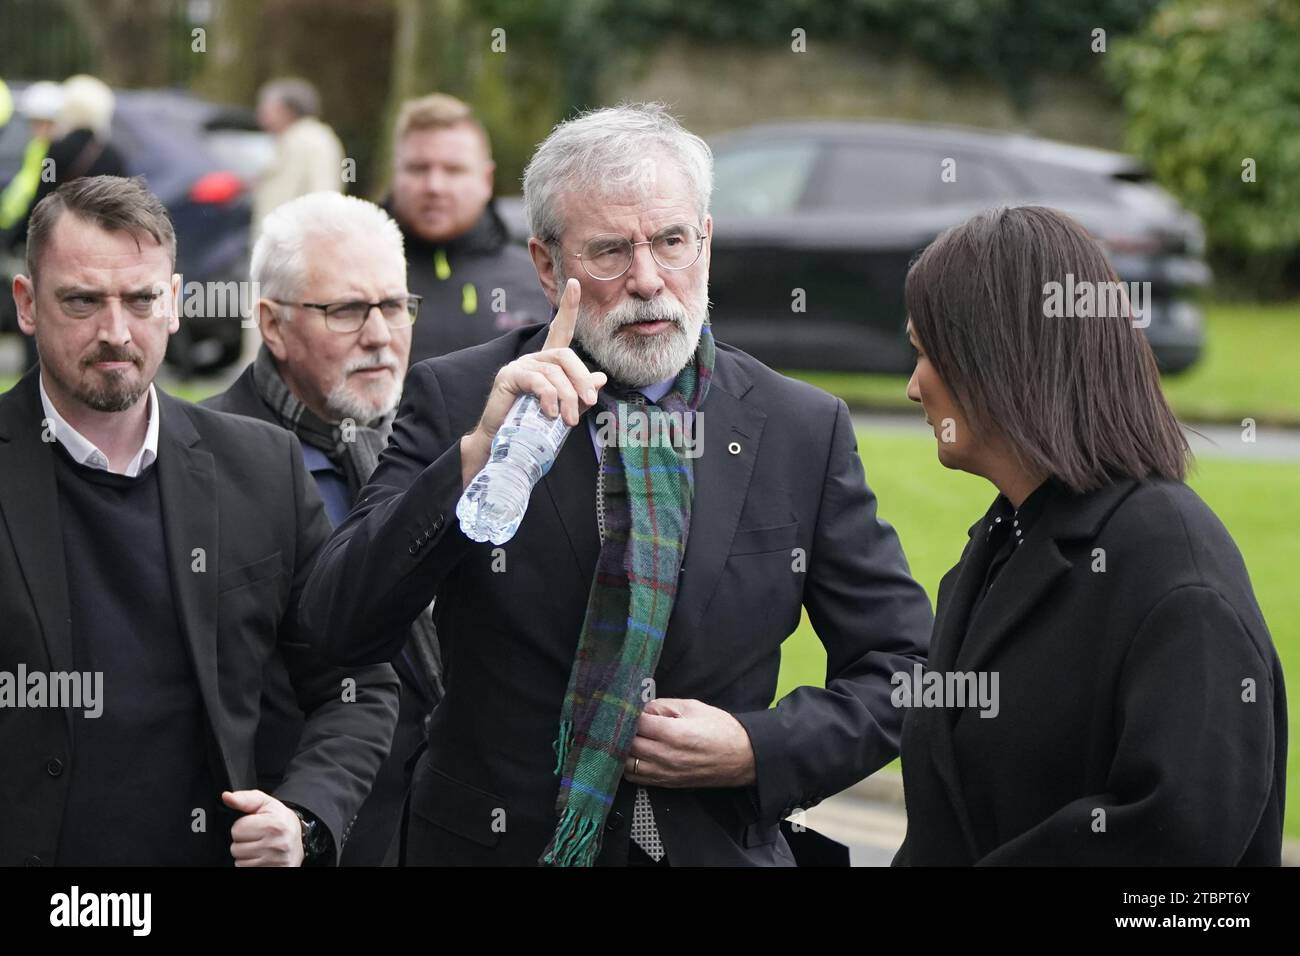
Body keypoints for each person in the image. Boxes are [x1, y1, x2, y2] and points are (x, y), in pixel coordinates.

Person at [300, 103, 933, 866]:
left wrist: (754, 748)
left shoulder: (799, 426)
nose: (647, 280)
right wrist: (474, 456)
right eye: (608, 251)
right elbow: (336, 626)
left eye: (671, 242)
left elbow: (906, 671)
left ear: (706, 239)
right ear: (545, 264)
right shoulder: (463, 398)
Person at [1, 175, 399, 866]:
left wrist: (304, 815)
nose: (115, 331)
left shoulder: (261, 466)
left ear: (177, 303)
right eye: (83, 301)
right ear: (28, 305)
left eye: (141, 299)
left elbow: (357, 681)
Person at [892, 205, 1286, 866]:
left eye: (925, 353)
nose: (912, 388)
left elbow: (1178, 841)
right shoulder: (998, 544)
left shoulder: (1176, 576)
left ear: (996, 360)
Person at [202, 191, 440, 866]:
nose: (379, 334)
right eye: (345, 310)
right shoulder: (208, 465)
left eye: (393, 306)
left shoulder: (438, 446)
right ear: (272, 325)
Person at [386, 93, 550, 364]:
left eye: (453, 170)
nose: (434, 186)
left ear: (486, 180)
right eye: (417, 169)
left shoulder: (541, 281)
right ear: (395, 175)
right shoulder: (359, 279)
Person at [252, 78, 344, 233]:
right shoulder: (293, 138)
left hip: (295, 244)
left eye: (267, 108)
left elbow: (322, 193)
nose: (261, 116)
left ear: (287, 110)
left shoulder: (312, 139)